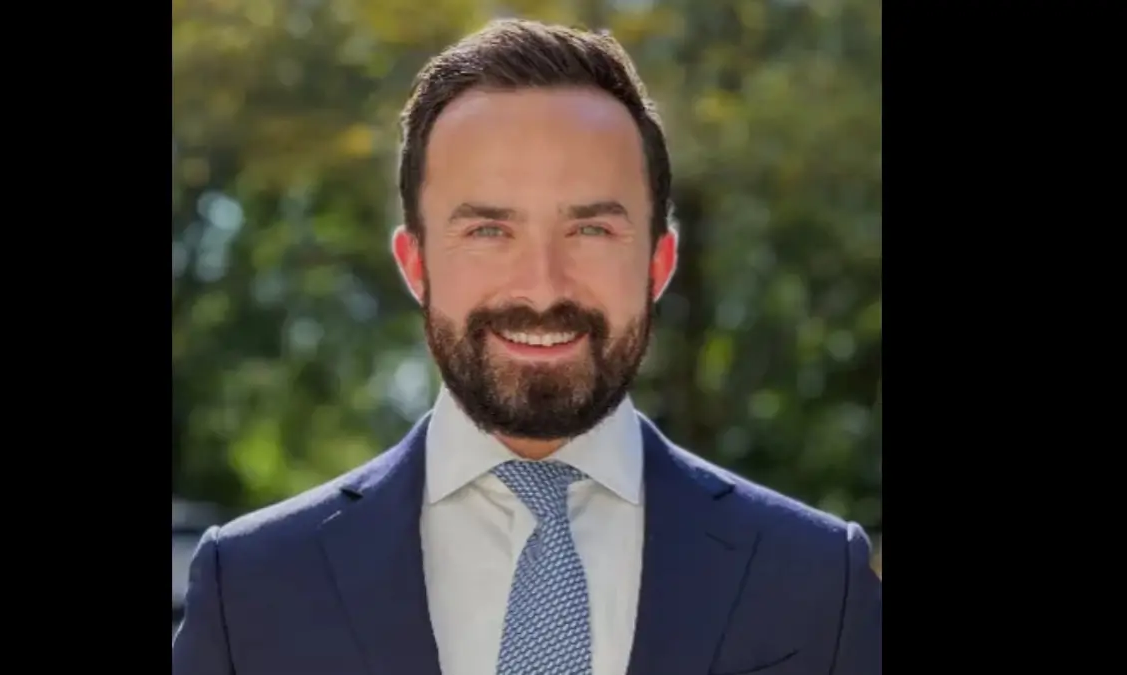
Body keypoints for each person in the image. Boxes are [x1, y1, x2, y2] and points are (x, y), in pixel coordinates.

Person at [173, 18, 881, 675]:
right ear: (415, 264)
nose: (542, 287)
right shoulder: (252, 589)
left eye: (591, 230)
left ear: (658, 263)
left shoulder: (819, 582)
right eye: (489, 230)